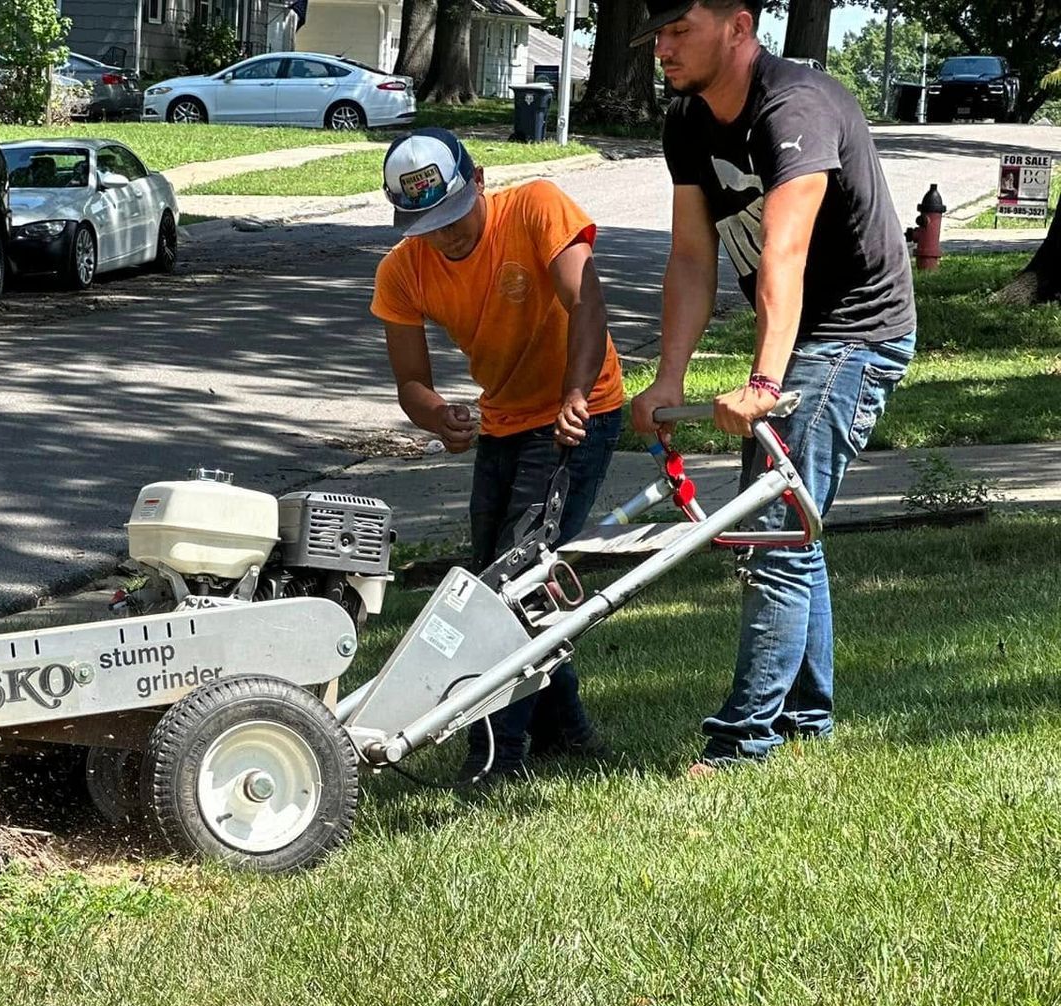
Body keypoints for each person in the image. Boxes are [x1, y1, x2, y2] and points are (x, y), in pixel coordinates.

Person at [628, 0, 915, 772]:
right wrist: (668, 378)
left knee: (768, 525)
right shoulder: (688, 122)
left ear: (739, 27)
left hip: (858, 332)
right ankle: (803, 722)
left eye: (679, 30)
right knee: (790, 530)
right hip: (804, 335)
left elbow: (781, 255)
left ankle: (739, 743)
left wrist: (762, 379)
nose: (663, 48)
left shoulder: (798, 107)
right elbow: (693, 257)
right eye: (657, 35)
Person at [372, 128, 626, 781]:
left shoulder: (537, 206)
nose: (447, 235)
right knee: (493, 577)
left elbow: (586, 301)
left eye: (454, 215)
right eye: (428, 224)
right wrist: (438, 417)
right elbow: (410, 383)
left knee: (512, 583)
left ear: (479, 178)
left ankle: (498, 753)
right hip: (505, 421)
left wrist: (575, 392)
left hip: (581, 410)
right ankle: (565, 730)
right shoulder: (403, 270)